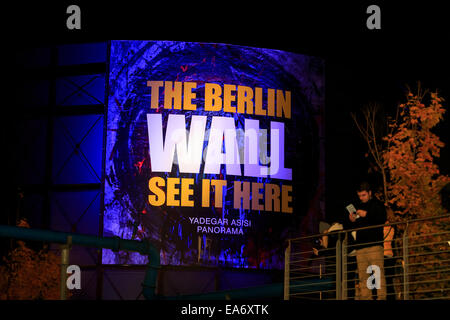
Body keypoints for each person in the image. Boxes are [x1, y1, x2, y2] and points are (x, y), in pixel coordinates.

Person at [348, 182, 387, 300]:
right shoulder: (358, 206)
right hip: (360, 247)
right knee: (363, 277)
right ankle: (366, 298)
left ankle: (381, 298)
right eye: (360, 195)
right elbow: (353, 226)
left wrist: (367, 214)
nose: (361, 198)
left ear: (370, 193)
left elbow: (382, 218)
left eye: (364, 195)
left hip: (374, 245)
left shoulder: (378, 205)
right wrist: (352, 220)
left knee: (378, 275)